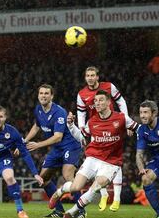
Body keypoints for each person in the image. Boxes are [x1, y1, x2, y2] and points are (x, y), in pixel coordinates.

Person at [49, 90, 139, 218]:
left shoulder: (121, 118)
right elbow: (81, 137)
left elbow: (139, 129)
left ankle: (71, 212)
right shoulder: (92, 121)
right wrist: (70, 125)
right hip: (92, 158)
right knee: (76, 187)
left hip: (111, 162)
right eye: (95, 101)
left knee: (97, 186)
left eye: (101, 100)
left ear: (109, 102)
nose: (97, 103)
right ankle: (59, 192)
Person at [24, 84, 84, 218]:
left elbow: (58, 137)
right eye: (41, 93)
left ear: (52, 96)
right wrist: (25, 141)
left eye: (46, 93)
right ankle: (59, 211)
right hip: (56, 149)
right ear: (38, 95)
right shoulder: (38, 109)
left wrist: (37, 145)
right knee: (43, 179)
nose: (43, 96)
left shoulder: (59, 112)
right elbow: (36, 126)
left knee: (68, 175)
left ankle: (80, 211)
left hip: (70, 145)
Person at [76, 66, 130, 211]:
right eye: (88, 75)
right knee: (95, 160)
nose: (90, 78)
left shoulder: (109, 86)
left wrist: (125, 119)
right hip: (95, 127)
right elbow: (80, 113)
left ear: (97, 77)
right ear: (85, 78)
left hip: (113, 125)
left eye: (93, 75)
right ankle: (104, 194)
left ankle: (116, 198)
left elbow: (121, 101)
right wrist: (81, 129)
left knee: (114, 158)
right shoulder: (81, 94)